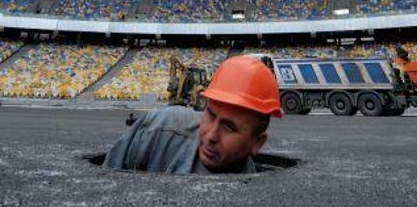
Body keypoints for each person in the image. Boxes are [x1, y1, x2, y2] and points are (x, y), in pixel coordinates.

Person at [102, 55, 282, 174]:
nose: (211, 135)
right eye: (210, 115)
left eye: (228, 127)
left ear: (257, 143)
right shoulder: (159, 129)